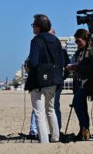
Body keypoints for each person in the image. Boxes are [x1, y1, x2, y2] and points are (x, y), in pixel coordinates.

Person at [24, 14, 64, 143]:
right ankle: (55, 137)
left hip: (38, 81)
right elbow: (61, 61)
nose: (32, 28)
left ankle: (44, 140)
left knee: (39, 113)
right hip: (53, 80)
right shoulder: (56, 40)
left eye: (33, 25)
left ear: (39, 27)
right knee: (51, 110)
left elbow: (33, 61)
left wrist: (28, 68)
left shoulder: (36, 40)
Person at [66, 29, 91, 140]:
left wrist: (77, 66)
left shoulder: (90, 50)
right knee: (81, 106)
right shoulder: (79, 51)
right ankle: (83, 130)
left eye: (78, 41)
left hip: (86, 82)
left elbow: (90, 66)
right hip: (77, 81)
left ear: (85, 39)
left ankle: (85, 129)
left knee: (77, 104)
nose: (77, 43)